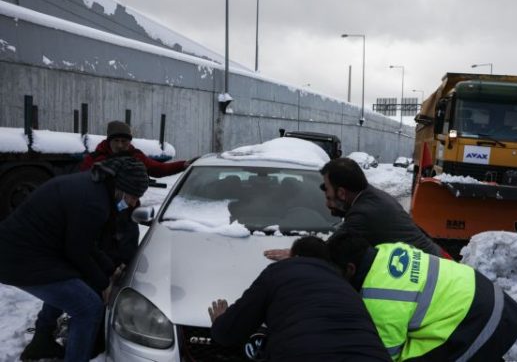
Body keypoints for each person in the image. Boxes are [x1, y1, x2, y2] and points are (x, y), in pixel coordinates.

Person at [0, 157, 149, 361]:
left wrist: (109, 268)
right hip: (21, 259)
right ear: (121, 188)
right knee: (88, 308)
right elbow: (78, 251)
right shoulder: (94, 202)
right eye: (133, 196)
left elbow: (86, 244)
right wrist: (104, 283)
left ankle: (41, 342)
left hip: (27, 252)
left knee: (72, 285)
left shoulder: (94, 185)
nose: (133, 203)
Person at [326, 233, 517, 362]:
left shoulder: (379, 297)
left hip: (478, 324)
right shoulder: (389, 249)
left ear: (350, 269)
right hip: (496, 302)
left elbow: (384, 355)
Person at [209, 236, 392, 362]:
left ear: (294, 256)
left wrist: (220, 322)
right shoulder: (347, 287)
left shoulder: (279, 272)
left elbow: (228, 333)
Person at [265, 158, 445, 260]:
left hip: (434, 272)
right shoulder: (371, 196)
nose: (327, 202)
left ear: (342, 193)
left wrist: (296, 254)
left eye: (327, 192)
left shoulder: (364, 213)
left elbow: (329, 250)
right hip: (434, 259)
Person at [80, 120, 193, 265]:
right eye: (116, 141)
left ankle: (127, 275)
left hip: (128, 215)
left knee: (129, 254)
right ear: (109, 141)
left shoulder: (136, 155)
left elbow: (158, 169)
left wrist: (183, 165)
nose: (120, 145)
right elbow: (83, 183)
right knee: (105, 255)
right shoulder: (96, 159)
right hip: (104, 217)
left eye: (124, 141)